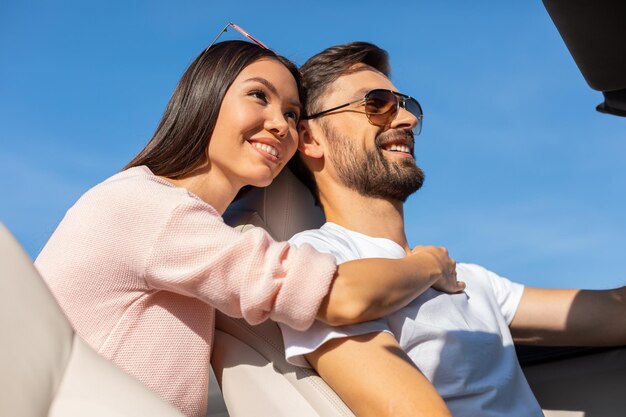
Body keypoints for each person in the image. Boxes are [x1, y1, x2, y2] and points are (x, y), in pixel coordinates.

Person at [33, 33, 463, 417]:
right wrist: (427, 264)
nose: (281, 124)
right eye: (259, 95)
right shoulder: (152, 208)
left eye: (293, 114)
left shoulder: (186, 224)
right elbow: (337, 295)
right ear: (205, 98)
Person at [279, 42, 626, 417]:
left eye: (406, 106)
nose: (408, 120)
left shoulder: (473, 281)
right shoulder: (317, 263)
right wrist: (429, 266)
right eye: (377, 104)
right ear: (310, 138)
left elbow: (614, 314)